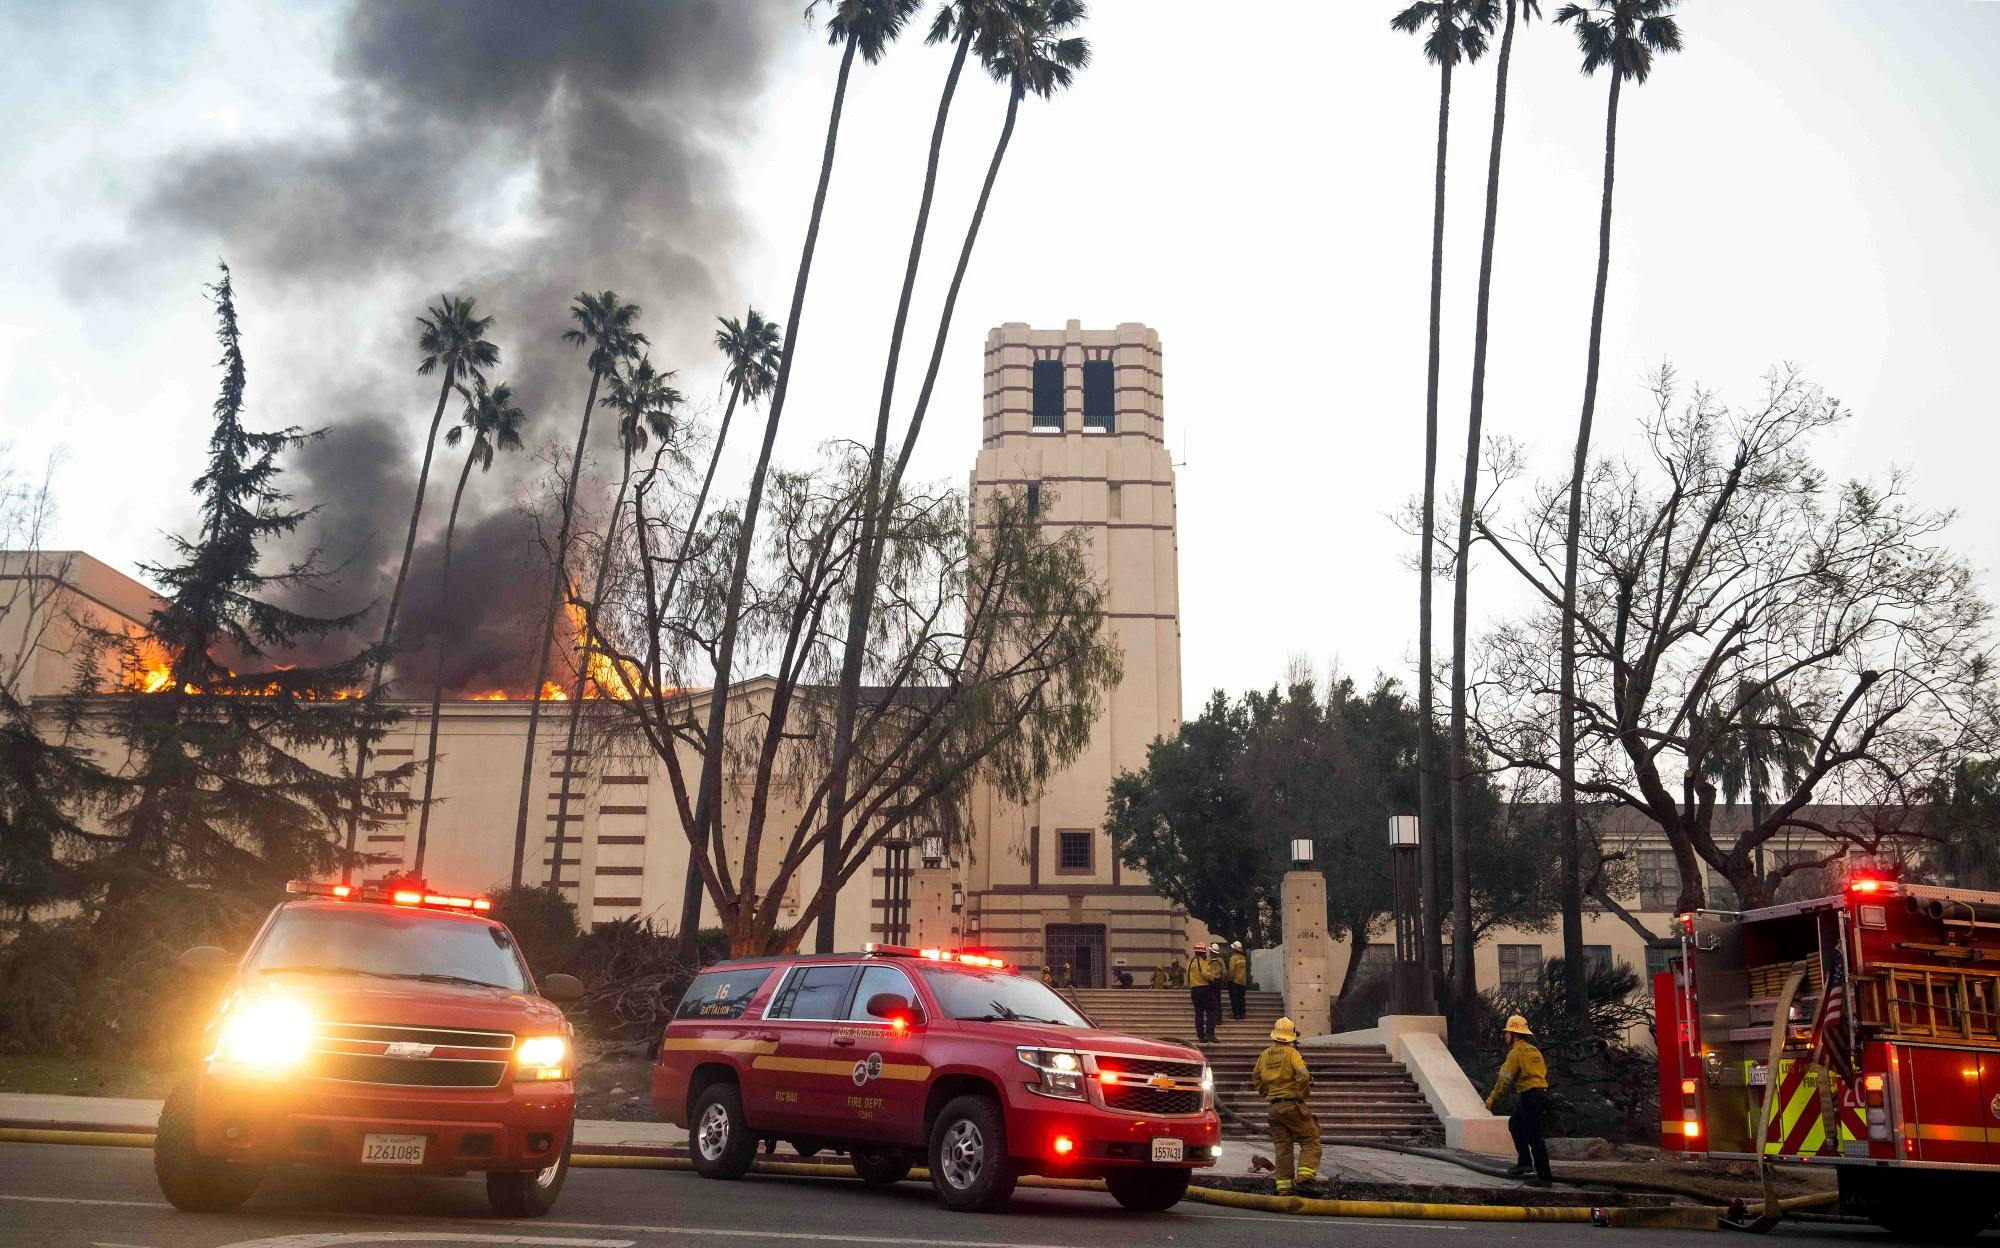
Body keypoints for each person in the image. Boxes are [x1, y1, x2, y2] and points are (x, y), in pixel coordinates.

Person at [1254, 1016, 1327, 1199]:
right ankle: (1305, 1180)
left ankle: (1285, 1189)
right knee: (1310, 1138)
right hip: (1292, 1105)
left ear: (1274, 1035)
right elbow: (1303, 1075)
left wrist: (1267, 1094)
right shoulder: (1292, 1053)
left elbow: (1256, 1077)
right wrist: (1302, 1094)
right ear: (1291, 1036)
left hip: (1274, 1109)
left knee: (1282, 1147)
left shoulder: (1264, 1055)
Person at [1487, 1014, 1551, 1187]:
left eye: (1507, 1033)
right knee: (1515, 1123)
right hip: (1539, 1094)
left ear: (1514, 1034)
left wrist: (1493, 1098)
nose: (1505, 1036)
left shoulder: (1515, 1053)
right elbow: (1542, 1072)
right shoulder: (1534, 1051)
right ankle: (1524, 1163)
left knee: (1534, 1136)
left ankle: (1544, 1177)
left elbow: (1505, 1079)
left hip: (1530, 1096)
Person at [1185, 942, 1218, 1043]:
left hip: (1194, 990)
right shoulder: (1203, 963)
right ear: (1203, 953)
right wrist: (1212, 976)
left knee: (1198, 1014)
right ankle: (1210, 1034)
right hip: (1204, 989)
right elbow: (1206, 975)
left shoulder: (1189, 963)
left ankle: (1200, 1036)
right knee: (1211, 1011)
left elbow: (1188, 977)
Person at [1227, 941, 1249, 1020]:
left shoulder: (1233, 958)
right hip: (1242, 982)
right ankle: (1242, 1014)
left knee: (1234, 998)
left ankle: (1236, 1014)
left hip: (1234, 981)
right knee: (1241, 998)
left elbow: (1231, 970)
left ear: (1234, 949)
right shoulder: (1244, 958)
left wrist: (1229, 979)